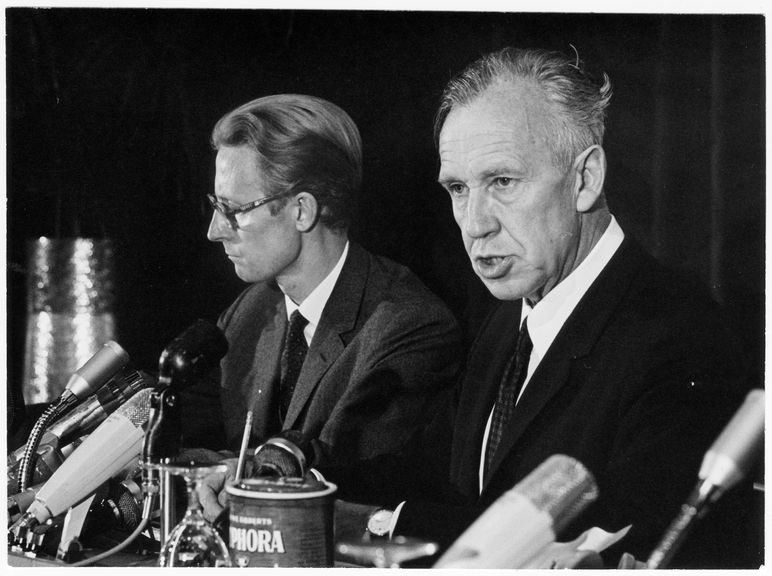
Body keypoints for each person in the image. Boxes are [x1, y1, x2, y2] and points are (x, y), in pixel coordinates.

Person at [334, 48, 753, 568]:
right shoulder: (511, 318)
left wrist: (379, 524)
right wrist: (303, 485)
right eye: (458, 188)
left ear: (585, 179)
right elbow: (433, 469)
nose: (475, 223)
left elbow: (600, 549)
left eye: (503, 182)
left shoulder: (682, 337)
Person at [182, 94, 463, 519]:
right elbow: (185, 426)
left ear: (302, 210)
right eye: (216, 206)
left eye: (233, 210)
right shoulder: (249, 313)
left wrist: (232, 473)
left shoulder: (410, 325)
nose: (214, 230)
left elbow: (339, 467)